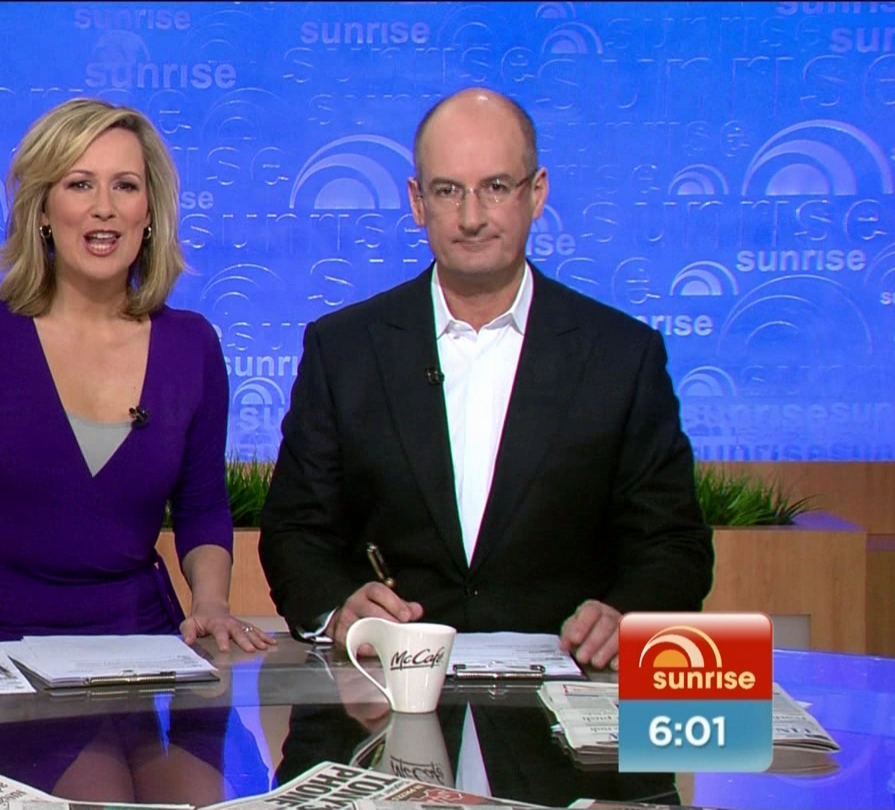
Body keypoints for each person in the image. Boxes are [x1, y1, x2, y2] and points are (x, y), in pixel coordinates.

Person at [258, 87, 713, 670]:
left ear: (537, 193)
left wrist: (628, 614)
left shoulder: (621, 356)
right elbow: (295, 531)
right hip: (386, 688)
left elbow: (674, 543)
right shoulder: (344, 350)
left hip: (569, 687)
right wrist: (337, 608)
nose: (471, 218)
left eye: (495, 187)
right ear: (417, 201)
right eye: (448, 191)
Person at [0, 98, 274, 656]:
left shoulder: (191, 346)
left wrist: (212, 604)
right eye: (80, 185)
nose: (104, 208)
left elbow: (203, 509)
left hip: (140, 647)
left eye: (125, 186)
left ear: (150, 212)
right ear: (43, 212)